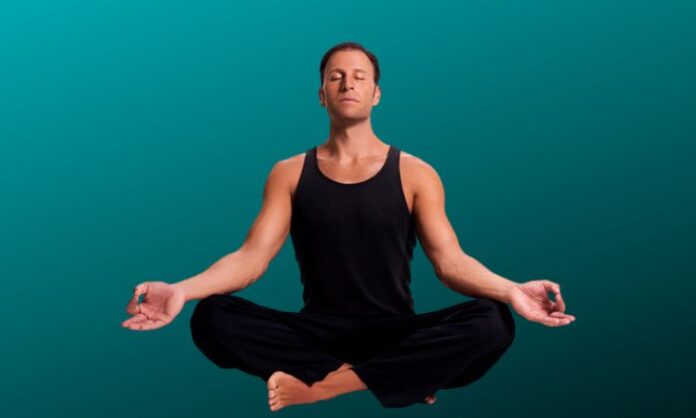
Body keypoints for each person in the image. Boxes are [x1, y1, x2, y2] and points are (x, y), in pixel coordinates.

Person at [121, 41, 576, 411]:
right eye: (336, 76)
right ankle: (396, 378)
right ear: (322, 94)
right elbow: (251, 258)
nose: (348, 83)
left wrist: (512, 290)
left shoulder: (416, 173)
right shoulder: (288, 173)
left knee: (494, 320)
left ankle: (328, 386)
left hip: (396, 333)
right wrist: (181, 289)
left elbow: (450, 262)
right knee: (211, 316)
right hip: (316, 334)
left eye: (360, 76)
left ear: (376, 93)